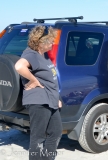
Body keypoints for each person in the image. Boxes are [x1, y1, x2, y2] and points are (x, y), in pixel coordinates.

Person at [15, 25, 62, 160]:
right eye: (51, 41)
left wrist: (56, 98)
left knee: (56, 132)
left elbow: (49, 79)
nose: (53, 43)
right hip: (39, 101)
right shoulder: (31, 54)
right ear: (41, 42)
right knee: (38, 138)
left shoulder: (43, 55)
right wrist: (34, 81)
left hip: (50, 99)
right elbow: (19, 66)